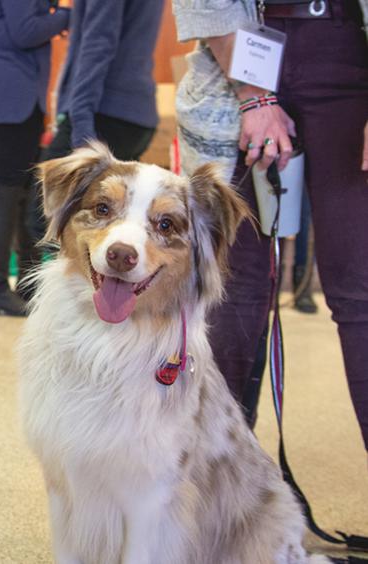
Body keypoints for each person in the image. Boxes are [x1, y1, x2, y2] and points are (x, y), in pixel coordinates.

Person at [172, 0, 368, 455]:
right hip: (237, 47)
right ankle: (215, 490)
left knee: (360, 289)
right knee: (231, 287)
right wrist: (253, 95)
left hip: (347, 49)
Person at [0, 0, 69, 316]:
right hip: (10, 89)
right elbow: (25, 31)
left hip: (15, 89)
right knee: (8, 186)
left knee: (22, 186)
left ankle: (26, 283)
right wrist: (68, 15)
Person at [43, 0, 165, 162]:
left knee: (46, 184)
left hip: (102, 113)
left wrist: (80, 126)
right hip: (134, 114)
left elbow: (99, 42)